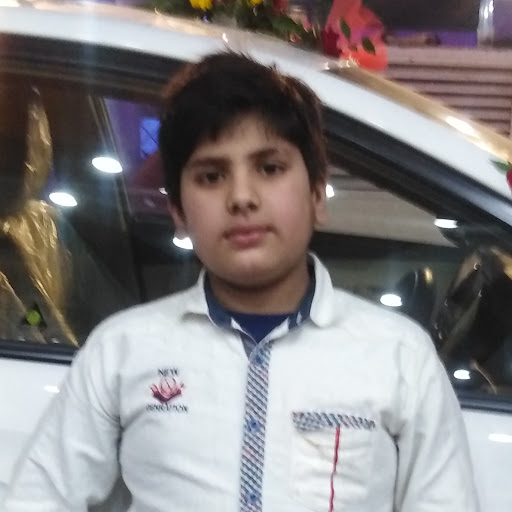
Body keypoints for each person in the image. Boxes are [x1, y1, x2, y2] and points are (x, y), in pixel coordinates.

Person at [1, 51, 479, 512]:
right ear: (178, 211)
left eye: (270, 169)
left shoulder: (398, 359)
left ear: (317, 194)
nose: (242, 197)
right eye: (211, 176)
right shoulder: (122, 353)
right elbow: (37, 499)